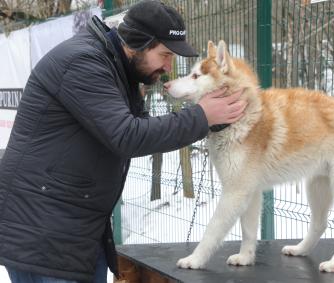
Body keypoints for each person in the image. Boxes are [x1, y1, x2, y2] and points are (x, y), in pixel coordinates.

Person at [0, 1, 246, 282]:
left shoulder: (116, 66)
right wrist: (201, 117)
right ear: (137, 43)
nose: (168, 66)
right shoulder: (83, 63)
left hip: (73, 228)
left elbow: (141, 129)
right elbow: (128, 136)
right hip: (42, 234)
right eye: (165, 54)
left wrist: (212, 118)